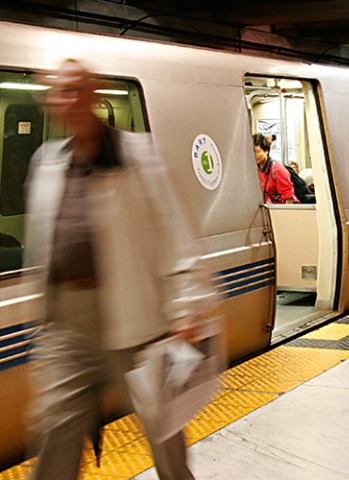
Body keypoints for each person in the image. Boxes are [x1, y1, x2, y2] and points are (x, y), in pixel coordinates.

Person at [23, 59, 217, 480]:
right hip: (68, 326)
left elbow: (175, 230)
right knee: (55, 428)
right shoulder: (48, 162)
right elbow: (42, 245)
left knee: (162, 431)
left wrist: (188, 305)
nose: (67, 100)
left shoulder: (138, 155)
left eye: (76, 90)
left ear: (94, 94)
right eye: (59, 92)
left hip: (138, 319)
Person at [253, 133, 296, 204]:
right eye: (252, 152)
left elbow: (288, 195)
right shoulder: (256, 169)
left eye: (257, 152)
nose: (254, 155)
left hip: (280, 209)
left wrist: (287, 214)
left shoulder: (277, 169)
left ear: (266, 151)